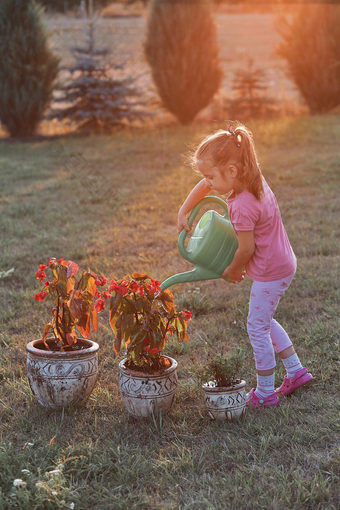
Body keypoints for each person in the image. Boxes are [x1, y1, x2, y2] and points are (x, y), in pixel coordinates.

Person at [177, 124, 313, 408]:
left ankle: (265, 393)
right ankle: (296, 371)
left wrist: (233, 269)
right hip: (282, 263)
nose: (208, 182)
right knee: (265, 319)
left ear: (232, 171)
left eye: (211, 176)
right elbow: (206, 185)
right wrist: (184, 209)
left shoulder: (241, 206)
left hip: (270, 272)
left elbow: (246, 249)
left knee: (256, 327)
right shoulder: (252, 177)